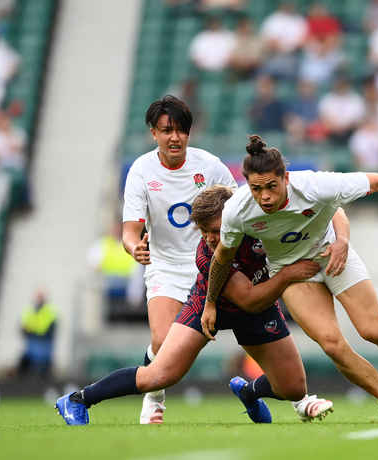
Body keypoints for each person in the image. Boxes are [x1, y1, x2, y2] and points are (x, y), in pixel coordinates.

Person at [204, 135, 378, 425]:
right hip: (291, 271)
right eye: (257, 188)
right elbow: (221, 259)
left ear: (286, 178)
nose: (265, 196)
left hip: (333, 255)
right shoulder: (238, 210)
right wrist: (209, 303)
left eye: (271, 186)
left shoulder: (313, 185)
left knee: (373, 331)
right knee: (332, 344)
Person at [55, 185, 336, 425]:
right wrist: (289, 274)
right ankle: (78, 399)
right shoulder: (206, 256)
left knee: (293, 387)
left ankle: (249, 392)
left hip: (257, 305)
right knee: (158, 375)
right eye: (203, 232)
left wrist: (338, 241)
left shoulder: (263, 227)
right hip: (208, 307)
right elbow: (249, 299)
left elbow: (325, 212)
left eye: (215, 230)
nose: (210, 239)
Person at [121, 95, 238, 424]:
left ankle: (279, 394)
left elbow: (237, 208)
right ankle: (154, 397)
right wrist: (134, 248)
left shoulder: (210, 165)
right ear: (153, 133)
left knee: (252, 325)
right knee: (162, 340)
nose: (175, 137)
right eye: (166, 130)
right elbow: (130, 230)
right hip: (166, 265)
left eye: (181, 130)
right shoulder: (141, 171)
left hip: (211, 263)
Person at [17, 290, 57, 377]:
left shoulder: (49, 311)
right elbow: (24, 324)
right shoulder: (30, 310)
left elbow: (52, 325)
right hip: (32, 338)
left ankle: (43, 379)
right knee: (28, 359)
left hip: (44, 340)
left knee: (44, 361)